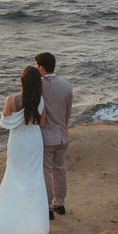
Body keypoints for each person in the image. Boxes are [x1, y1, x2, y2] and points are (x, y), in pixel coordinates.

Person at [0, 65, 50, 234]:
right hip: (34, 140)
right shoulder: (41, 101)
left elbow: (5, 121)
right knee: (34, 177)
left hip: (18, 141)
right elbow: (42, 123)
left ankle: (11, 219)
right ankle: (34, 221)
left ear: (22, 81)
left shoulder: (11, 100)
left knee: (14, 177)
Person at [35, 52, 74, 217]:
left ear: (42, 67)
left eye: (37, 66)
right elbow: (67, 113)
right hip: (62, 134)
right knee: (60, 169)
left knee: (46, 171)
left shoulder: (39, 86)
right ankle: (60, 204)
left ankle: (48, 207)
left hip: (46, 136)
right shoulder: (66, 85)